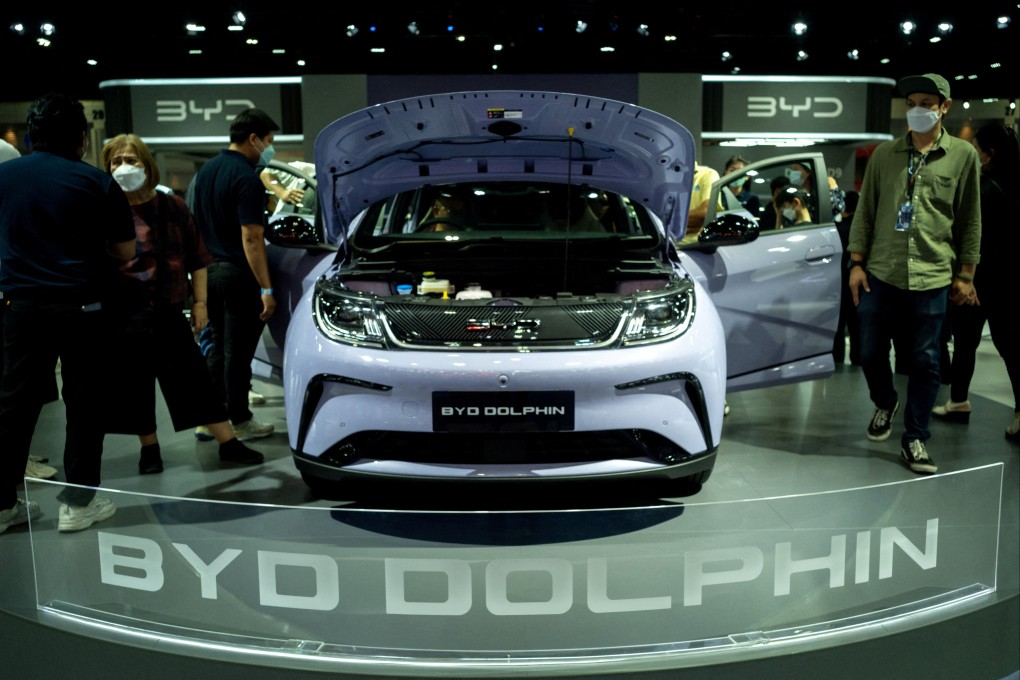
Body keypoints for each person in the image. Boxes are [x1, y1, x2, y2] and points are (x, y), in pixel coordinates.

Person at [0, 92, 136, 534]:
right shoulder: (96, 182)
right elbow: (125, 250)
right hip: (84, 309)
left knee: (14, 407)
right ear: (80, 137)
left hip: (20, 308)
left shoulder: (5, 177)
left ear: (28, 135)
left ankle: (2, 505)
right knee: (85, 403)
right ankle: (77, 504)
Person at [100, 134, 265, 474]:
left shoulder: (171, 206)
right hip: (125, 311)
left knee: (194, 377)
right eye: (115, 162)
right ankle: (150, 449)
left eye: (130, 160)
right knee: (137, 383)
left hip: (168, 308)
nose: (122, 167)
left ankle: (227, 441)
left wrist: (201, 303)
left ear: (146, 165)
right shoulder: (105, 210)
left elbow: (197, 257)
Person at [847, 73, 981, 475]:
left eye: (926, 102)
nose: (917, 109)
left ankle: (915, 437)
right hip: (880, 272)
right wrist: (856, 263)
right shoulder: (885, 155)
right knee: (869, 352)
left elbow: (970, 218)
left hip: (933, 273)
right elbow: (865, 211)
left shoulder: (962, 156)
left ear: (945, 106)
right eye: (910, 103)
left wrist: (967, 273)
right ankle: (886, 401)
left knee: (925, 361)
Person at [189, 109, 279, 441]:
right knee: (238, 355)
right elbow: (252, 238)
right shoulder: (246, 177)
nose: (270, 149)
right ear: (254, 139)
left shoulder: (207, 171)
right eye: (269, 142)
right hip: (238, 275)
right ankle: (239, 419)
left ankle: (210, 421)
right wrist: (266, 287)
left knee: (217, 349)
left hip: (208, 273)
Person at [932, 122, 1020, 441]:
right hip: (1007, 280)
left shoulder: (985, 189)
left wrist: (965, 277)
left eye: (978, 149)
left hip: (982, 280)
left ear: (989, 154)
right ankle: (959, 401)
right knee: (1001, 344)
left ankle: (960, 401)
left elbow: (973, 236)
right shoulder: (1012, 185)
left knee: (977, 342)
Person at [0, 139, 60, 483]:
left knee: (20, 384)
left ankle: (17, 456)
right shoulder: (10, 161)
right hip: (15, 288)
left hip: (14, 287)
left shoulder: (8, 158)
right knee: (17, 387)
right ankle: (14, 462)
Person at [833, 190, 861, 365]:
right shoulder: (859, 230)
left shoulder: (837, 228)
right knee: (857, 325)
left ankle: (837, 360)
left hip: (837, 281)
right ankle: (857, 360)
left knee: (838, 325)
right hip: (856, 281)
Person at [679, 161, 721, 245]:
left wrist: (665, 226)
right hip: (662, 245)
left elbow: (705, 213)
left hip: (694, 246)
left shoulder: (708, 174)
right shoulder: (662, 179)